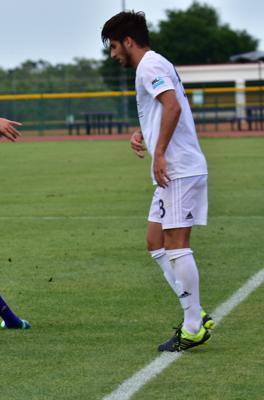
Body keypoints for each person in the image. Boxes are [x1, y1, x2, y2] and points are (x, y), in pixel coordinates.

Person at [102, 11, 213, 352]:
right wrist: (144, 134)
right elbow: (163, 109)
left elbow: (173, 107)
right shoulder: (155, 63)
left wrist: (160, 152)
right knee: (155, 243)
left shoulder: (149, 66)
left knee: (176, 245)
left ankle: (193, 325)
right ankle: (195, 313)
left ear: (129, 41)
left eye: (113, 46)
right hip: (174, 169)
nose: (113, 53)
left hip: (178, 168)